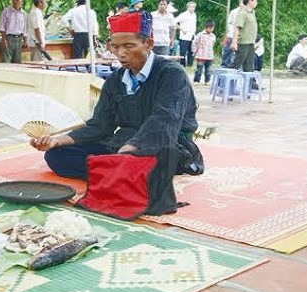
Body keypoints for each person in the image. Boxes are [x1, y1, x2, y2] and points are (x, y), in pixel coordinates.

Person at [29, 11, 200, 216]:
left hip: (166, 143)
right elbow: (100, 125)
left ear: (148, 44)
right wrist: (57, 141)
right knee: (57, 156)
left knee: (142, 160)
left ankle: (113, 170)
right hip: (122, 145)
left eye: (129, 46)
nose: (120, 54)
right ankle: (117, 171)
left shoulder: (171, 74)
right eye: (115, 46)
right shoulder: (115, 80)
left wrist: (132, 148)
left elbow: (165, 120)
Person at [230, 0, 258, 74]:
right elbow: (237, 28)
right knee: (236, 64)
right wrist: (234, 42)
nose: (256, 3)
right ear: (249, 1)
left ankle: (252, 84)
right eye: (255, 1)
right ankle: (229, 82)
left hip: (250, 43)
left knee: (249, 65)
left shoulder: (252, 13)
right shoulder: (242, 13)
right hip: (243, 43)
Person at [192, 20, 216, 84]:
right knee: (199, 69)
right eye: (210, 28)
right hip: (201, 54)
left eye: (212, 28)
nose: (211, 30)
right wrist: (194, 51)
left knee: (208, 69)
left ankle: (207, 81)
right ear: (206, 27)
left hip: (209, 55)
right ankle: (196, 80)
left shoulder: (213, 36)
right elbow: (195, 42)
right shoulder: (200, 34)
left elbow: (213, 44)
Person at [221, 0, 243, 67]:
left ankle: (237, 66)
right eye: (241, 2)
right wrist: (231, 31)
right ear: (239, 3)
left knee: (240, 53)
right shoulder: (234, 12)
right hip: (231, 34)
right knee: (227, 51)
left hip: (242, 36)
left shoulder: (248, 12)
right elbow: (229, 22)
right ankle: (225, 65)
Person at [175, 1, 197, 67]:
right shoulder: (183, 15)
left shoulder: (194, 14)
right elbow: (174, 22)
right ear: (187, 7)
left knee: (191, 52)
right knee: (183, 52)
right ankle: (182, 65)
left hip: (192, 36)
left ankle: (190, 65)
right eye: (191, 7)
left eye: (193, 7)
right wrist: (181, 29)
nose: (192, 8)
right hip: (184, 36)